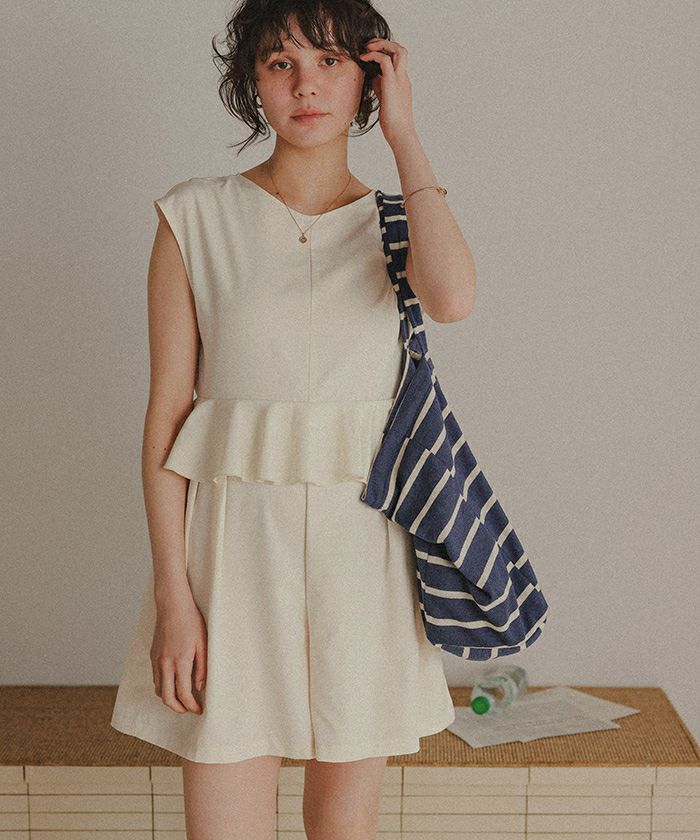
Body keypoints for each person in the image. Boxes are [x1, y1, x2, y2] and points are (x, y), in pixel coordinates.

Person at [110, 1, 476, 838]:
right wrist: (173, 597)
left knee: (344, 828)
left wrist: (405, 134)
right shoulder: (195, 216)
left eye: (330, 62)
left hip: (365, 563)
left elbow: (453, 298)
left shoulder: (397, 224)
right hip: (229, 564)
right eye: (281, 64)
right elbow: (167, 417)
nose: (306, 85)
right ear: (253, 82)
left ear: (369, 78)